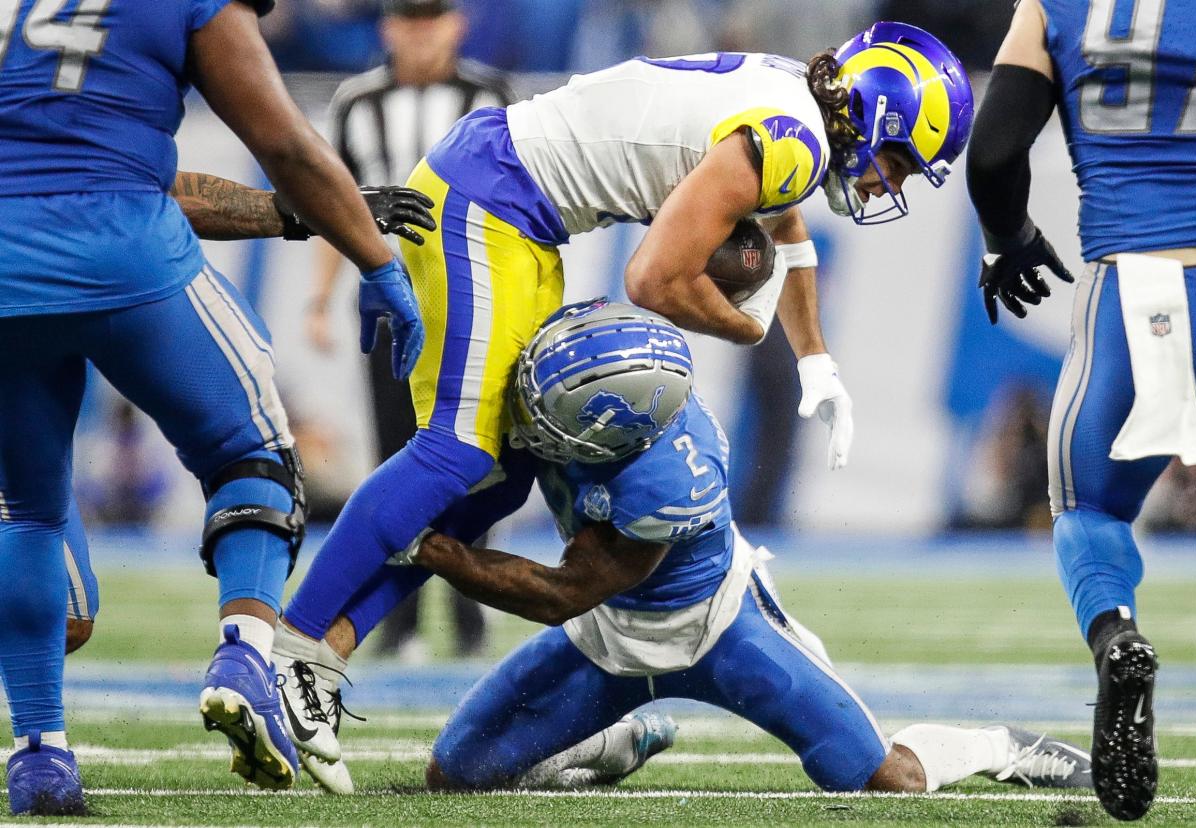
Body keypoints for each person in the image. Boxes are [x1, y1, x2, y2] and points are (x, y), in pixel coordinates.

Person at [275, 28, 978, 754]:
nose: (889, 184)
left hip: (517, 208)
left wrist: (816, 363)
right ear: (875, 114)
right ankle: (291, 648)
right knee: (455, 453)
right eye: (898, 162)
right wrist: (741, 329)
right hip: (491, 195)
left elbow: (787, 230)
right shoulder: (794, 137)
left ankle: (329, 647)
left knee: (503, 476)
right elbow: (653, 280)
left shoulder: (799, 115)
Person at [280, 300, 1093, 794]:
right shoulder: (590, 371)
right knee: (454, 775)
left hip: (718, 630)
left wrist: (434, 551)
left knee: (880, 777)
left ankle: (999, 747)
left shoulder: (674, 476)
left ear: (608, 433)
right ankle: (617, 742)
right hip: (609, 642)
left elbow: (562, 593)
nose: (533, 418)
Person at [0, 0, 431, 814]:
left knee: (27, 512)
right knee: (254, 455)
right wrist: (375, 262)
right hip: (120, 250)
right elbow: (285, 141)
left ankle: (39, 755)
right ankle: (244, 656)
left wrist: (289, 214)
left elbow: (107, 167)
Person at [965, 0, 1196, 819]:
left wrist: (1007, 235)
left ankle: (1117, 634)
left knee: (1091, 512)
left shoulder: (1055, 6)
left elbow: (994, 153)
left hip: (1140, 291)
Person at [306, 0, 514, 664]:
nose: (421, 34)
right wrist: (319, 297)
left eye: (432, 18)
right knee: (396, 461)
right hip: (387, 304)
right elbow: (332, 202)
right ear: (388, 28)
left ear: (457, 24)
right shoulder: (356, 101)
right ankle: (397, 623)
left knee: (472, 461)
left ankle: (469, 618)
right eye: (408, 20)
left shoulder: (489, 95)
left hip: (474, 302)